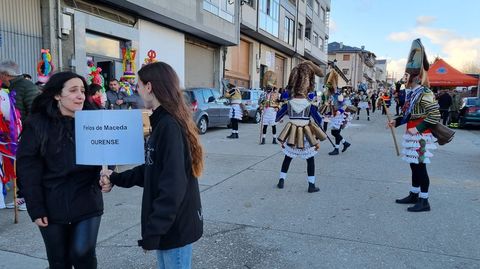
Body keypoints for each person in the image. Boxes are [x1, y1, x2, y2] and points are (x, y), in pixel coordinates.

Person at [99, 62, 203, 268]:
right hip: (169, 228)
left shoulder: (169, 126)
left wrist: (154, 231)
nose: (136, 90)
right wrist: (115, 177)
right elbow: (151, 169)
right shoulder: (161, 122)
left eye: (138, 85)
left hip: (175, 229)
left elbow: (172, 187)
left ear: (149, 87)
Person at [16, 71, 104, 267]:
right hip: (51, 202)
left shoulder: (94, 121)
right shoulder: (37, 125)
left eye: (82, 90)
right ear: (57, 95)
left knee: (82, 254)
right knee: (58, 261)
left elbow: (108, 153)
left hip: (87, 199)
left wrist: (107, 174)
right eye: (73, 91)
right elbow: (28, 169)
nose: (80, 95)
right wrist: (36, 207)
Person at [387, 38, 441, 212]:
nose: (406, 78)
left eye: (409, 75)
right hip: (412, 134)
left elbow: (434, 115)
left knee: (420, 167)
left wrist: (416, 128)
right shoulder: (413, 93)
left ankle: (424, 201)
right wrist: (396, 122)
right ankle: (414, 194)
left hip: (422, 135)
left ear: (417, 76)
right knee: (413, 165)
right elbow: (409, 113)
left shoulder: (425, 92)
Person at [275, 61, 325, 193]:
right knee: (310, 159)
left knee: (288, 157)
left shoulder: (288, 103)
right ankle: (311, 185)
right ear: (307, 87)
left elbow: (277, 117)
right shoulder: (310, 105)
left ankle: (281, 180)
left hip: (291, 132)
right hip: (306, 133)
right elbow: (319, 120)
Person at [0, 60, 40, 210]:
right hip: (14, 135)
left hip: (25, 134)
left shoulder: (25, 86)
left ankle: (25, 197)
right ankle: (21, 195)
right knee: (18, 166)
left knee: (24, 166)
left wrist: (24, 132)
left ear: (5, 75)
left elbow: (34, 111)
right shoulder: (10, 87)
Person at [322, 70, 352, 156]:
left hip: (339, 115)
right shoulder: (329, 95)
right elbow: (329, 106)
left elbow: (345, 105)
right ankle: (344, 144)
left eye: (330, 86)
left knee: (335, 133)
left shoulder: (338, 95)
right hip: (333, 115)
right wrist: (326, 115)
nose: (328, 88)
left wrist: (340, 111)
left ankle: (338, 148)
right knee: (335, 133)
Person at [259, 71, 280, 144]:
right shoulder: (263, 94)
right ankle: (263, 139)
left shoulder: (276, 94)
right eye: (268, 87)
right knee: (265, 125)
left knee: (273, 126)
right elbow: (261, 102)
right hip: (265, 111)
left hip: (272, 111)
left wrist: (277, 107)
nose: (269, 88)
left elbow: (278, 102)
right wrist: (261, 107)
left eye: (270, 87)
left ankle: (274, 139)